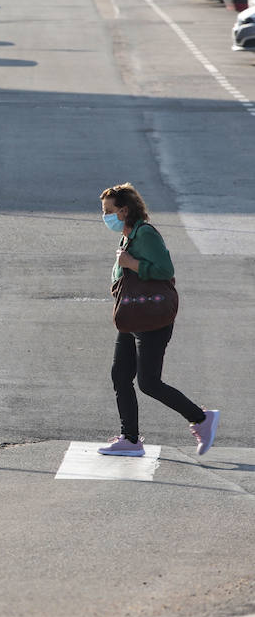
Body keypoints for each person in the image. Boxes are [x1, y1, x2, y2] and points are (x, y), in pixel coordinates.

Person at [97, 183, 218, 457]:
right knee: (120, 375)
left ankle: (201, 418)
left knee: (149, 382)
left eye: (109, 211)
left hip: (152, 318)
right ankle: (130, 439)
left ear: (124, 210)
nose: (105, 217)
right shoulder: (128, 236)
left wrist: (131, 264)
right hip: (131, 315)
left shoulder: (146, 234)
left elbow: (165, 270)